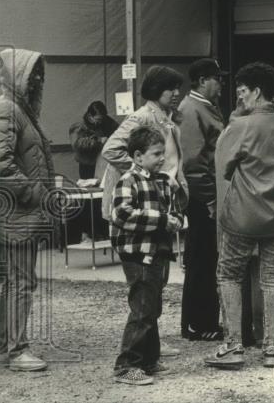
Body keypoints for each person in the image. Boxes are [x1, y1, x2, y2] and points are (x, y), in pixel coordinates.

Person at [206, 62, 274, 370]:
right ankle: (270, 346)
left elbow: (224, 167)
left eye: (243, 91)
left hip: (243, 214)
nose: (241, 97)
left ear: (257, 91)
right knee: (273, 278)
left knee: (229, 274)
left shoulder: (241, 126)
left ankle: (233, 345)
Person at [0, 49, 52, 372]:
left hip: (20, 212)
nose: (38, 79)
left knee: (15, 280)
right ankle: (16, 350)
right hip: (17, 211)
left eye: (40, 73)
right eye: (32, 73)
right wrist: (31, 191)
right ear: (17, 75)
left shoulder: (18, 109)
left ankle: (4, 345)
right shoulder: (8, 110)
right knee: (22, 282)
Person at [110, 126, 184, 386]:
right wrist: (163, 220)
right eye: (156, 153)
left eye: (163, 153)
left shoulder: (161, 180)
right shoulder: (128, 180)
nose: (162, 158)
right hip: (137, 254)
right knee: (142, 308)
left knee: (152, 307)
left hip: (157, 253)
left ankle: (149, 359)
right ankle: (126, 365)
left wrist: (175, 218)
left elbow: (173, 209)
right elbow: (121, 214)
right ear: (138, 156)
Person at [177, 58, 226, 341]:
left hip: (209, 193)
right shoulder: (192, 110)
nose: (220, 85)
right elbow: (193, 161)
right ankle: (198, 322)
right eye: (217, 79)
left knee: (208, 259)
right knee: (202, 260)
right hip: (201, 197)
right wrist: (208, 199)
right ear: (203, 80)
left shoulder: (204, 107)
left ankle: (204, 318)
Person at [101, 67, 189, 223]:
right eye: (171, 89)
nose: (176, 93)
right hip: (138, 202)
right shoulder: (142, 117)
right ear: (156, 89)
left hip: (159, 198)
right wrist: (144, 174)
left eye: (178, 88)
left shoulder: (170, 119)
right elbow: (111, 150)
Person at [69, 101, 118, 180]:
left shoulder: (106, 121)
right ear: (90, 116)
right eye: (98, 119)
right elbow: (77, 145)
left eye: (102, 119)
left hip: (103, 161)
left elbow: (118, 131)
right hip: (87, 163)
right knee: (89, 186)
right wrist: (99, 141)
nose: (100, 122)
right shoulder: (79, 127)